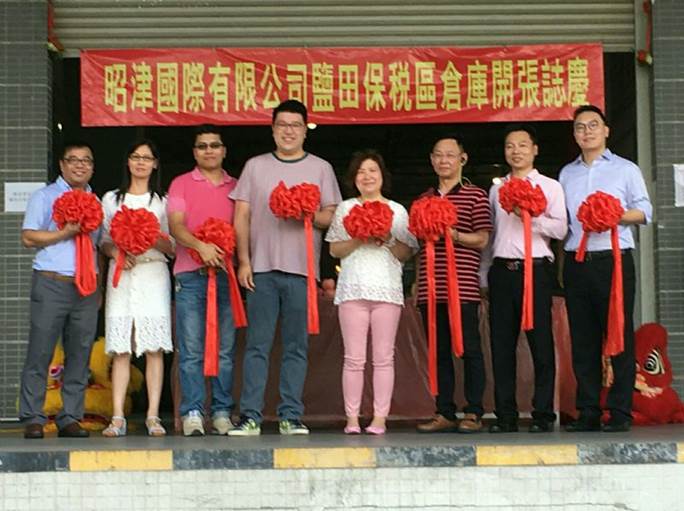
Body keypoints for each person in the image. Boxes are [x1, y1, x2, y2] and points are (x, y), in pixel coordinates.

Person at [229, 99, 342, 436]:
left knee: (296, 347)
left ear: (305, 130)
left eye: (295, 125)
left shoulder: (321, 168)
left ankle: (290, 415)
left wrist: (305, 213)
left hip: (302, 272)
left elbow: (332, 216)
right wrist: (244, 261)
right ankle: (250, 416)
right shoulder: (255, 166)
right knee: (257, 346)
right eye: (282, 125)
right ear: (273, 129)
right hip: (261, 270)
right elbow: (242, 216)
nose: (288, 131)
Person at [560, 105, 652, 433]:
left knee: (618, 335)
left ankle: (620, 411)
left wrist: (614, 215)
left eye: (593, 125)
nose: (587, 132)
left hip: (614, 260)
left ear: (606, 130)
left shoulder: (626, 169)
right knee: (583, 339)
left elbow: (645, 211)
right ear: (575, 135)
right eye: (580, 127)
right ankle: (587, 410)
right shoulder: (566, 174)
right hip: (577, 262)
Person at [326, 150, 418, 435]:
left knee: (383, 358)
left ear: (382, 176)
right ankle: (352, 418)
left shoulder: (397, 211)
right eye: (361, 172)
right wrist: (358, 237)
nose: (367, 176)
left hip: (387, 291)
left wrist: (386, 237)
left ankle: (380, 417)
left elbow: (407, 252)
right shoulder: (345, 208)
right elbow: (334, 249)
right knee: (354, 359)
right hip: (352, 290)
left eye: (372, 171)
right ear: (354, 179)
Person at [486, 124, 567, 433]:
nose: (515, 151)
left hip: (536, 270)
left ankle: (543, 414)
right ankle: (505, 415)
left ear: (535, 150)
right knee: (501, 346)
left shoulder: (550, 186)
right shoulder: (496, 190)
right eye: (510, 146)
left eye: (522, 145)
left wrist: (530, 217)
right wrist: (484, 276)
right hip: (502, 271)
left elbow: (560, 229)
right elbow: (492, 235)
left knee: (541, 344)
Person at [19, 142, 101, 439]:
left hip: (86, 286)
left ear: (92, 167)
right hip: (52, 282)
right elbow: (28, 237)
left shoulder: (95, 201)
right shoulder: (44, 196)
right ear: (62, 165)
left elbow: (98, 245)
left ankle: (70, 417)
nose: (80, 165)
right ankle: (33, 417)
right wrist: (64, 233)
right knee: (40, 351)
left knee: (80, 353)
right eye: (73, 160)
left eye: (86, 160)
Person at [415, 134, 492, 434]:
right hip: (430, 289)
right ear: (432, 160)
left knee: (470, 350)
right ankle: (443, 411)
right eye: (438, 155)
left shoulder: (476, 196)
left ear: (463, 159)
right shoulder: (423, 200)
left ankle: (473, 411)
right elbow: (418, 246)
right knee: (438, 352)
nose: (443, 160)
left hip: (464, 287)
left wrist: (453, 234)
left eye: (450, 154)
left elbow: (482, 239)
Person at [167, 125, 239, 437]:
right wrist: (201, 246)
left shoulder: (237, 187)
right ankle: (192, 412)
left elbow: (244, 228)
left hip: (226, 276)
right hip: (189, 275)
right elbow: (176, 226)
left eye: (214, 145)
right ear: (195, 152)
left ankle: (222, 412)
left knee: (225, 350)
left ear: (224, 150)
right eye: (202, 146)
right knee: (192, 349)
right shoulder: (181, 183)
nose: (209, 150)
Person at [100, 140, 174, 437]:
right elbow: (104, 240)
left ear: (155, 164)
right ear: (128, 162)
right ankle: (117, 416)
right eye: (135, 157)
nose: (141, 162)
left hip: (153, 273)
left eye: (147, 158)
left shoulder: (164, 202)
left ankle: (153, 416)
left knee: (154, 348)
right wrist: (117, 252)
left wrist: (150, 236)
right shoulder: (111, 199)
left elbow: (173, 246)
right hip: (122, 275)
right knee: (121, 349)